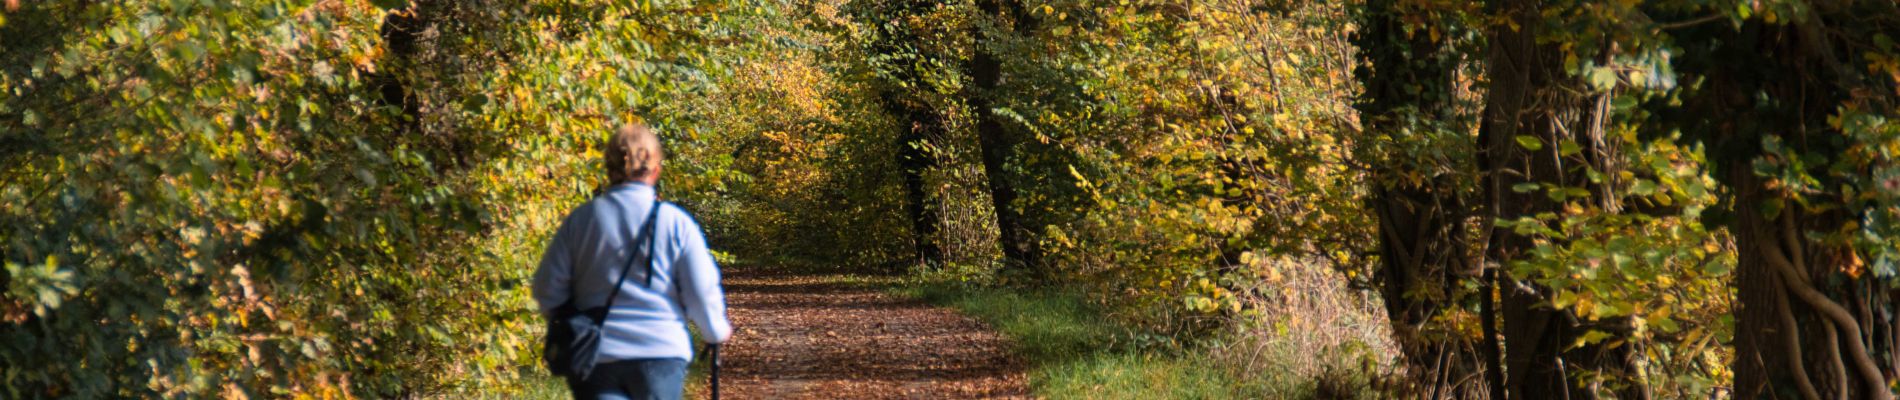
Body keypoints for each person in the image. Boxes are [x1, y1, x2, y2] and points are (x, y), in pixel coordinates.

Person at [531, 123, 732, 400]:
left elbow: (546, 289)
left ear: (608, 168)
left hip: (597, 357)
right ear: (656, 168)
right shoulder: (675, 223)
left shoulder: (582, 220)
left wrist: (571, 319)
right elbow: (701, 291)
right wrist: (714, 331)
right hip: (661, 354)